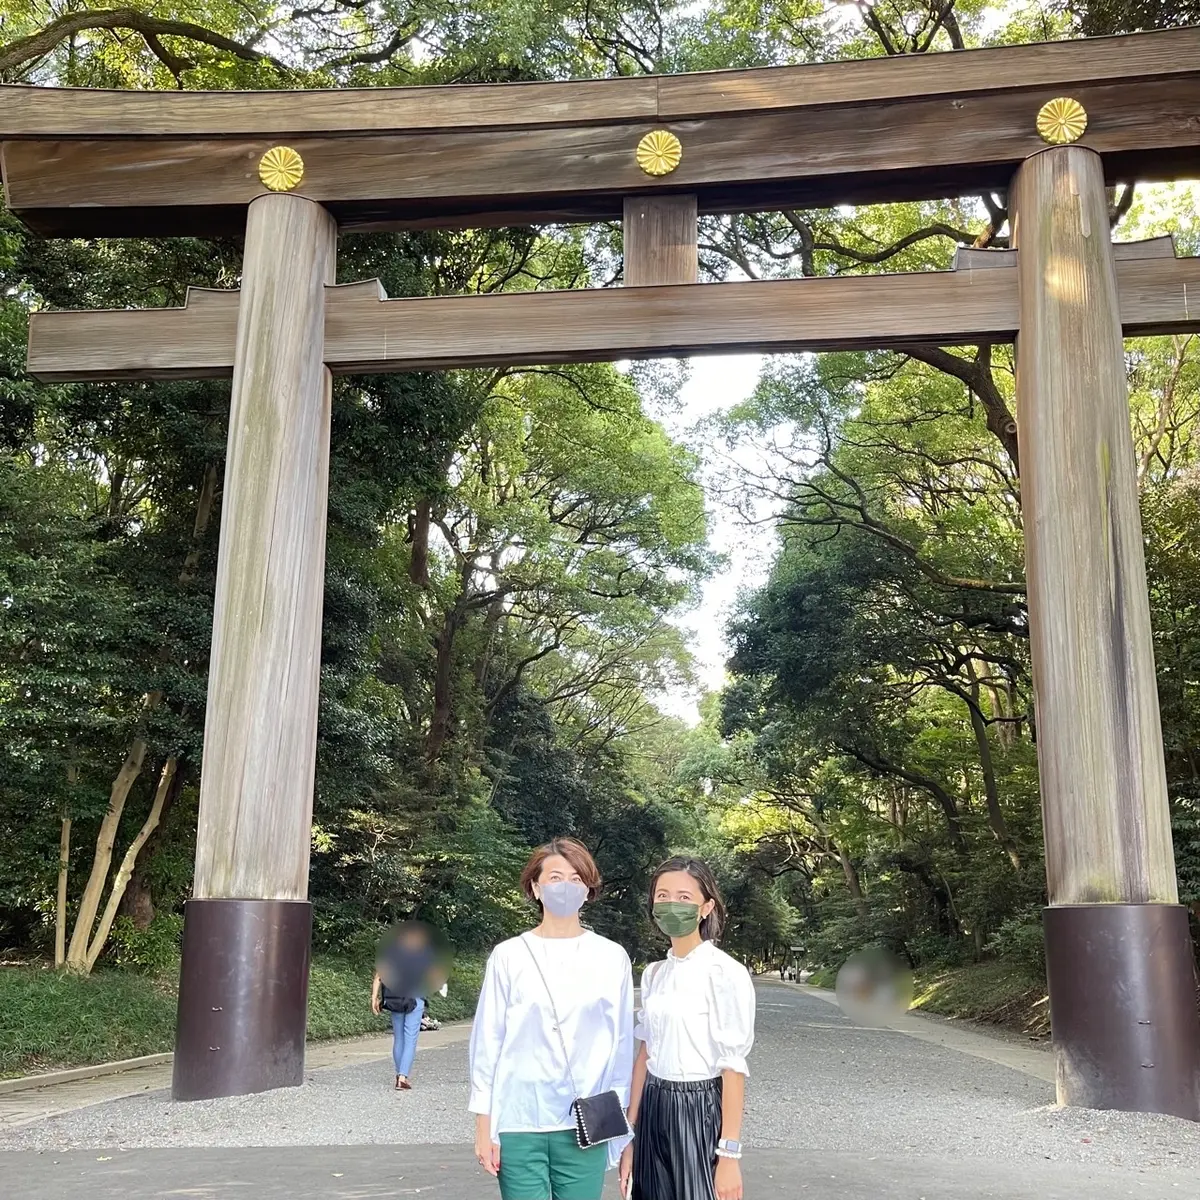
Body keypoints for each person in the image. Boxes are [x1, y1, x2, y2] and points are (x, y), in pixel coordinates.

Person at [469, 837, 635, 1200]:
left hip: (586, 1121)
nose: (566, 887)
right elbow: (488, 1041)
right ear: (535, 886)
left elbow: (621, 1046)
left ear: (588, 889)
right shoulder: (508, 956)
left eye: (576, 879)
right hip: (518, 1119)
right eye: (556, 877)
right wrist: (485, 1124)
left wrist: (622, 1128)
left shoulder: (611, 958)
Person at [621, 856, 756, 1200]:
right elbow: (646, 1053)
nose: (671, 904)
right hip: (653, 1104)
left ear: (706, 906)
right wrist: (630, 1133)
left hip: (699, 1105)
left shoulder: (724, 972)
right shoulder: (654, 974)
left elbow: (733, 1067)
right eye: (662, 896)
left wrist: (728, 1154)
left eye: (684, 897)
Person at [371, 920, 446, 1091]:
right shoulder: (424, 953)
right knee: (410, 1038)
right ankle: (403, 1078)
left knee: (399, 1038)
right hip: (415, 998)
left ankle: (399, 1075)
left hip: (395, 998)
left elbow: (378, 977)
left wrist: (374, 998)